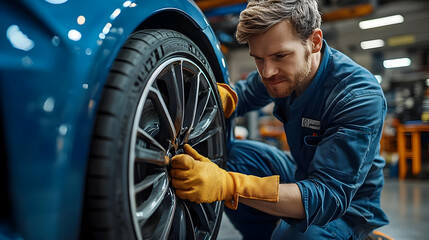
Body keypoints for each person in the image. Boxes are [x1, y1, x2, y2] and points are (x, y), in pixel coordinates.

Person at [169, 0, 389, 239]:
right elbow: (243, 95)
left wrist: (229, 186)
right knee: (232, 158)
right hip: (302, 174)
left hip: (345, 204)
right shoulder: (281, 71)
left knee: (295, 237)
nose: (266, 72)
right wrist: (213, 98)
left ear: (314, 42)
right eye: (258, 59)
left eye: (280, 56)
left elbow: (327, 196)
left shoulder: (357, 96)